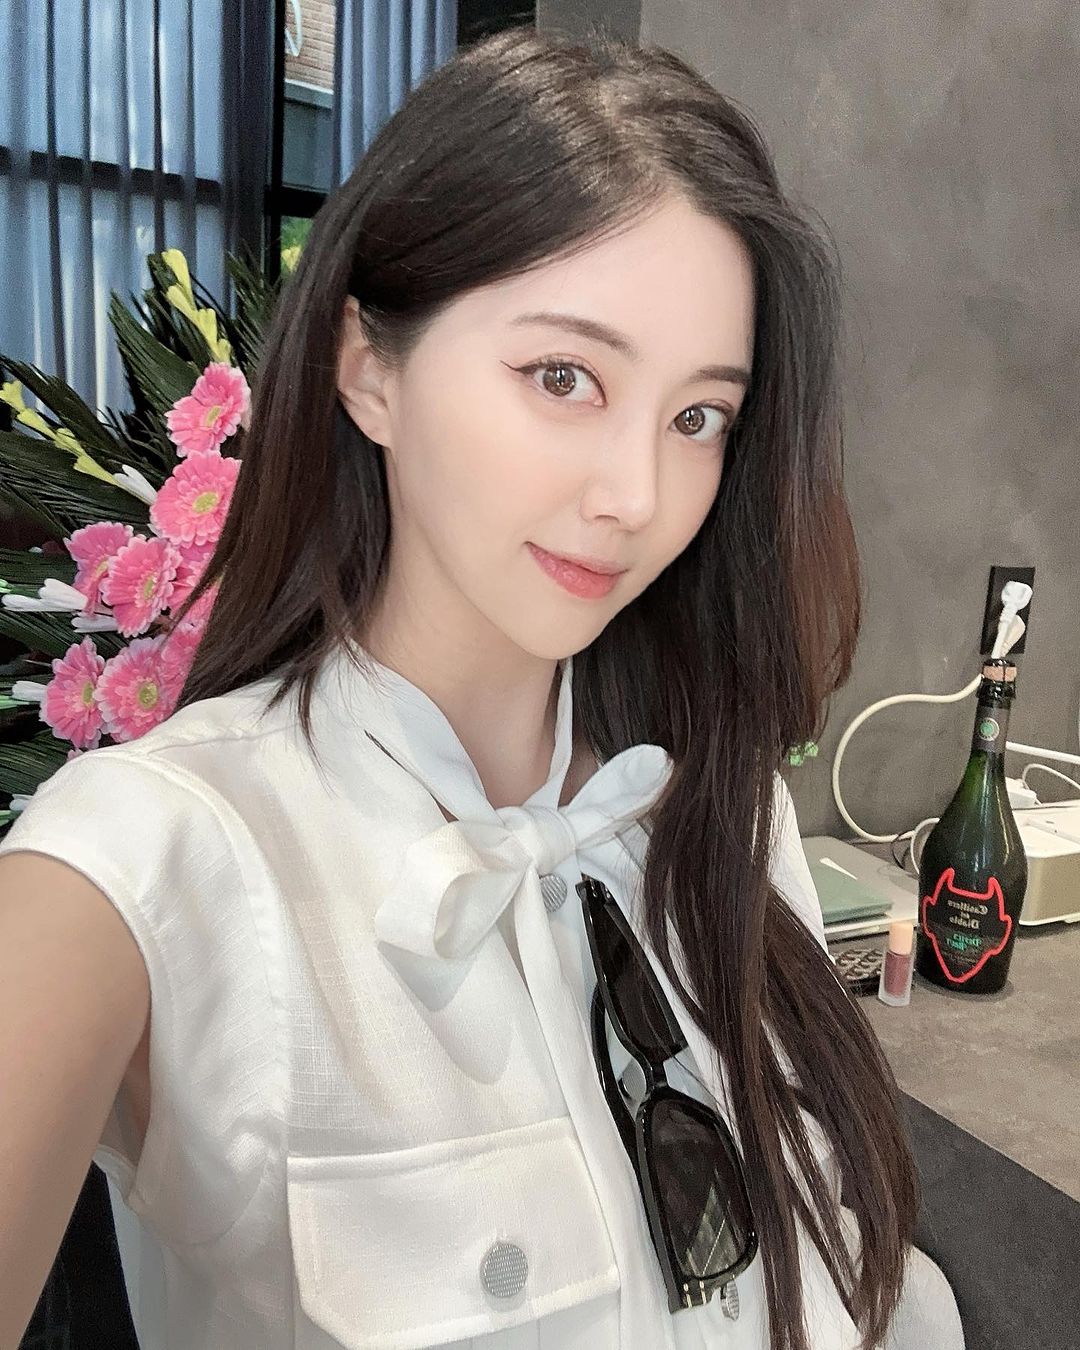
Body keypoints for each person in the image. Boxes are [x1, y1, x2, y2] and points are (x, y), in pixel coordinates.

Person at [0, 24, 963, 1350]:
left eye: (698, 418)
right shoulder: (150, 865)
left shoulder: (720, 818)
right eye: (564, 378)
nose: (636, 494)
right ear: (368, 367)